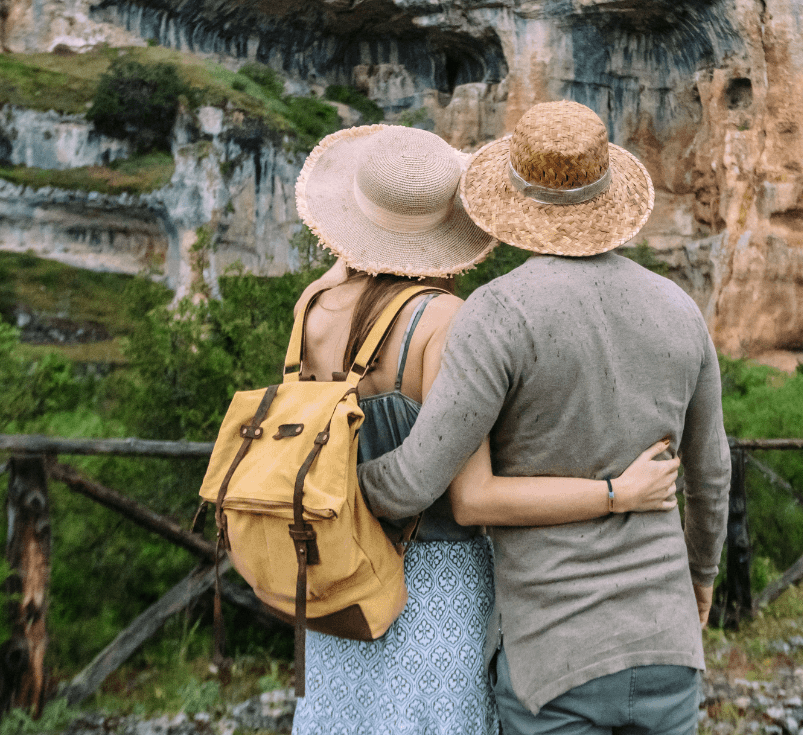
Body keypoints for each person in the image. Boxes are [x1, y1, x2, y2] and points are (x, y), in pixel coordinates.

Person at [286, 123, 681, 735]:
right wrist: (616, 495)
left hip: (338, 573)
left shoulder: (313, 303)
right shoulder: (446, 320)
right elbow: (475, 499)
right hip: (430, 588)